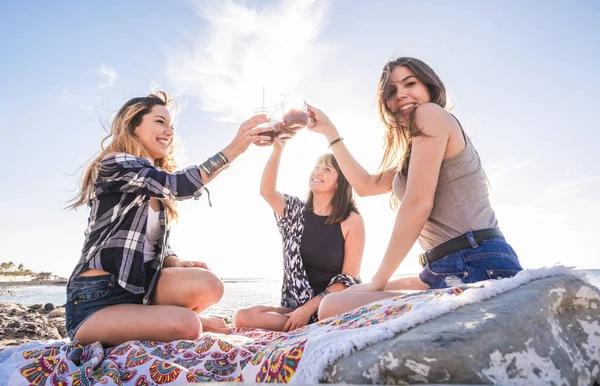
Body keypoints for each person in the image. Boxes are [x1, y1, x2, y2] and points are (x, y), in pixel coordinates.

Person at [308, 57, 523, 319]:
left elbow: (418, 204)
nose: (401, 95)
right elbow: (365, 185)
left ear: (429, 87)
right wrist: (330, 131)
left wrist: (379, 280)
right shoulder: (413, 158)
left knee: (331, 306)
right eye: (391, 92)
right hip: (449, 265)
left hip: (474, 262)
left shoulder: (430, 113)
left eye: (410, 83)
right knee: (342, 297)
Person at [65, 91, 271, 346]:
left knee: (210, 285)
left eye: (172, 126)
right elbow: (181, 184)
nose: (169, 132)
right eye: (160, 122)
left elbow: (148, 241)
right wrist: (236, 147)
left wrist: (173, 260)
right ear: (133, 126)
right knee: (189, 326)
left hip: (139, 290)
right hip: (96, 299)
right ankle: (179, 320)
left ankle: (164, 319)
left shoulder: (152, 179)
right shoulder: (115, 162)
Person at [233, 138, 365, 331]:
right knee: (242, 317)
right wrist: (277, 150)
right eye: (316, 167)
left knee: (324, 312)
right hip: (295, 303)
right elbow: (267, 192)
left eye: (327, 169)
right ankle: (303, 325)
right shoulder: (296, 211)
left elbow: (348, 280)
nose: (317, 172)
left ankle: (311, 324)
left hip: (331, 306)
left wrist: (308, 309)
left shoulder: (351, 220)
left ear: (339, 183)